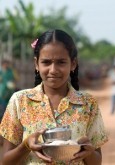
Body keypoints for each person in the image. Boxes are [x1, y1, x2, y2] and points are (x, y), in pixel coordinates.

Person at [0, 29, 108, 165]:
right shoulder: (20, 101)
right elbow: (5, 161)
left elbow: (97, 162)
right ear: (36, 64)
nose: (53, 70)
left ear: (73, 64)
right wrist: (26, 146)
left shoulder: (88, 103)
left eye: (61, 62)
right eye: (46, 62)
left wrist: (88, 152)